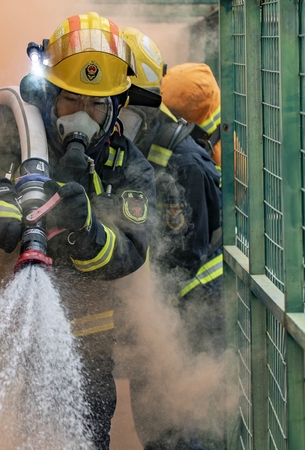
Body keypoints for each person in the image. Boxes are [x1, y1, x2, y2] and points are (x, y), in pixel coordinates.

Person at [0, 12, 156, 450]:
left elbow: (131, 251)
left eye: (97, 105)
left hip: (82, 346)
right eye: (71, 100)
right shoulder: (13, 124)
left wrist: (86, 231)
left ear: (117, 106)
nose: (83, 117)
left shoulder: (128, 166)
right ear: (48, 93)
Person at [117, 27, 224, 450]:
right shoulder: (142, 144)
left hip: (192, 305)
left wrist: (136, 297)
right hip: (165, 304)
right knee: (154, 418)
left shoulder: (185, 163)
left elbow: (183, 254)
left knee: (177, 421)